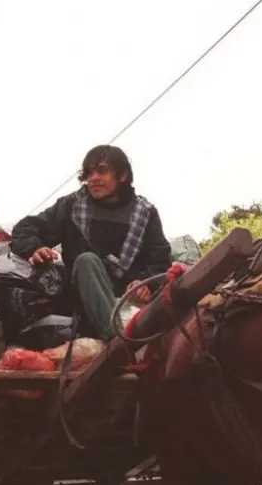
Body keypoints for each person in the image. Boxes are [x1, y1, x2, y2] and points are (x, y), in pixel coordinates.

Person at [9, 145, 172, 340]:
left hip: (131, 297)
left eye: (102, 171)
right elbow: (26, 227)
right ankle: (116, 338)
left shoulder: (145, 213)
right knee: (86, 260)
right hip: (83, 298)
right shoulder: (71, 206)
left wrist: (146, 284)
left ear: (123, 176)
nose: (94, 178)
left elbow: (160, 259)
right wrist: (34, 248)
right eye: (89, 172)